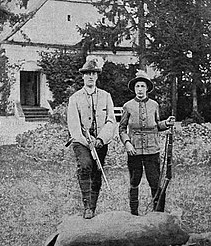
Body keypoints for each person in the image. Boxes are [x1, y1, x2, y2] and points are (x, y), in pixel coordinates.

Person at [119, 70, 175, 215]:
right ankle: (134, 214)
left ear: (147, 88)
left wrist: (166, 123)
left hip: (152, 150)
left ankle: (159, 215)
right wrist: (127, 143)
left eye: (142, 86)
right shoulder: (128, 106)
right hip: (134, 150)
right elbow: (122, 128)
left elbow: (157, 125)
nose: (140, 90)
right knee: (134, 182)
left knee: (155, 183)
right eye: (137, 86)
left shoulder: (154, 105)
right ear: (134, 89)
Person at [67, 56, 116, 219]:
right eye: (87, 73)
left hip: (100, 142)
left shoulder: (105, 96)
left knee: (97, 172)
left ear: (97, 76)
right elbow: (73, 126)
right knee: (86, 166)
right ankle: (87, 205)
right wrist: (86, 141)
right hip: (82, 141)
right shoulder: (75, 98)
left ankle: (92, 206)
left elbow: (111, 121)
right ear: (83, 76)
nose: (90, 76)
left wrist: (100, 139)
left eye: (93, 73)